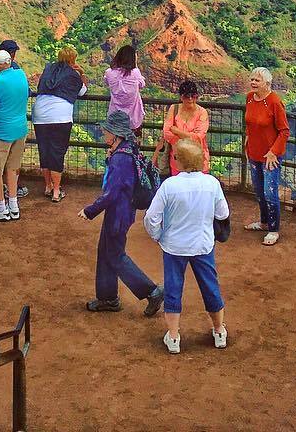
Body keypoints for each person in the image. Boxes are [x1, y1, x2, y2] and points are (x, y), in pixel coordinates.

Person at [143, 139, 229, 354]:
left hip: (174, 246)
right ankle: (219, 331)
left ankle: (173, 337)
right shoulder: (212, 183)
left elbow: (151, 217)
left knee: (173, 289)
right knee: (210, 286)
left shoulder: (169, 186)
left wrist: (158, 236)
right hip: (202, 245)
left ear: (178, 160)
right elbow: (223, 214)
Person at [78, 109, 164, 316]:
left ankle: (150, 291)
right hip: (123, 212)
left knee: (115, 255)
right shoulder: (127, 150)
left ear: (116, 134)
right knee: (106, 252)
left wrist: (90, 211)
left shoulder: (120, 159)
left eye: (107, 130)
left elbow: (111, 193)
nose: (103, 133)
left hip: (118, 214)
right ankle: (107, 298)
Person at [0, 49, 30, 222]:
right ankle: (14, 206)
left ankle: (1, 208)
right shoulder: (21, 75)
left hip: (0, 132)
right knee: (12, 167)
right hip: (20, 130)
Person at [33, 44, 87, 201]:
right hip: (60, 117)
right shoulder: (73, 74)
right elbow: (82, 91)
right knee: (57, 152)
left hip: (40, 114)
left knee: (44, 150)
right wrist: (81, 73)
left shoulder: (48, 70)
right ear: (73, 59)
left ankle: (47, 186)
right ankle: (56, 191)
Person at [243, 67, 288, 246]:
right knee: (259, 192)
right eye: (252, 79)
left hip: (270, 156)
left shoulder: (275, 102)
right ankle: (263, 222)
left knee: (270, 193)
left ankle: (273, 229)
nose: (253, 82)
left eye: (257, 80)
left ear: (267, 83)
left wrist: (273, 152)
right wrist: (247, 142)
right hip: (253, 153)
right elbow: (249, 123)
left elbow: (284, 131)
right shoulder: (249, 98)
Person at [154, 79, 210, 175]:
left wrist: (176, 131)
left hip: (198, 160)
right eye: (187, 96)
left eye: (193, 96)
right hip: (177, 160)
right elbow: (167, 132)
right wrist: (189, 136)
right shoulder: (174, 108)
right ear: (181, 97)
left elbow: (198, 137)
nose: (190, 99)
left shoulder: (202, 112)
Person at [105, 44, 146, 134]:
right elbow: (142, 84)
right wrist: (135, 65)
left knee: (116, 144)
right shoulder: (135, 73)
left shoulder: (109, 72)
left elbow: (107, 82)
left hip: (115, 116)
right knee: (132, 145)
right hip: (133, 117)